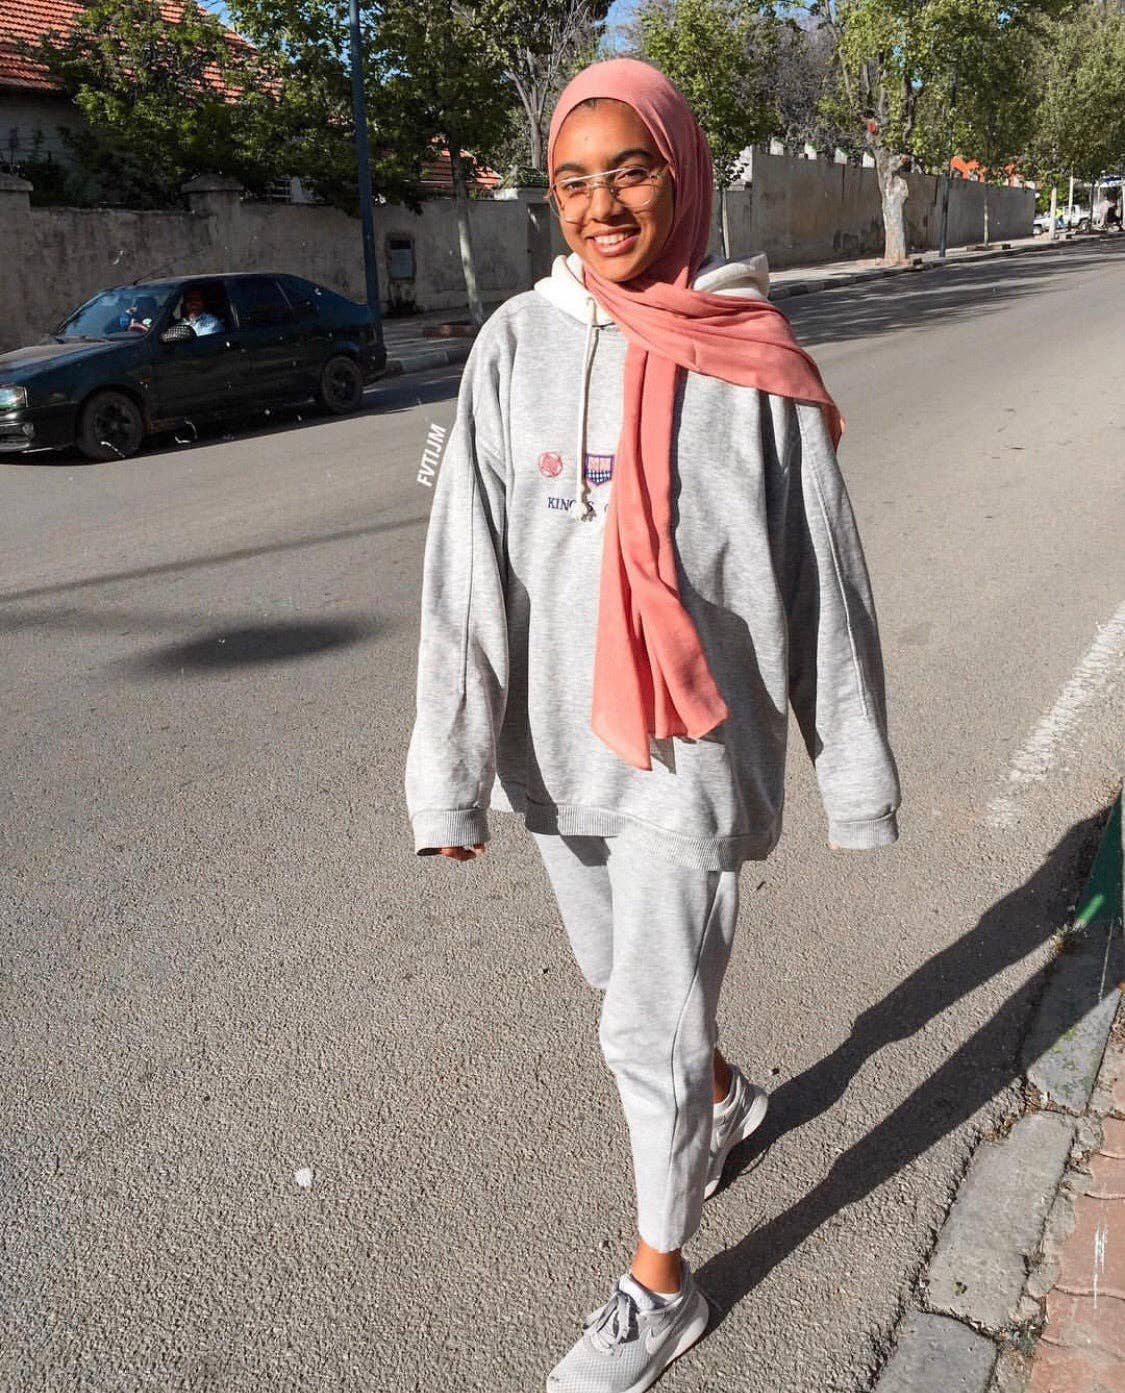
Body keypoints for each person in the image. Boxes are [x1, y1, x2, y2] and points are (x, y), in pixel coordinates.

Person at [405, 58, 900, 1393]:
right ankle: (726, 1101)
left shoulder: (751, 354)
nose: (601, 205)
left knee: (643, 1030)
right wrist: (451, 774)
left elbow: (820, 569)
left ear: (680, 178)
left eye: (629, 171)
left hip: (693, 754)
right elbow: (467, 569)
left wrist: (853, 774)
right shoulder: (515, 344)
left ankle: (660, 1284)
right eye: (572, 181)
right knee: (618, 984)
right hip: (558, 756)